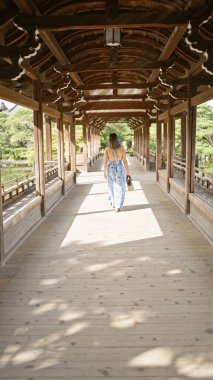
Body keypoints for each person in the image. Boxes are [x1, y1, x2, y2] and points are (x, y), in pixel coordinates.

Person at [103, 133, 130, 212]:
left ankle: (113, 202)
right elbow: (125, 161)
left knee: (111, 186)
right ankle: (117, 206)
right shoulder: (121, 148)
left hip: (110, 168)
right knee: (120, 186)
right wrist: (127, 171)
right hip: (120, 168)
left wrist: (104, 172)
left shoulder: (107, 149)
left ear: (109, 140)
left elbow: (105, 162)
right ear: (116, 139)